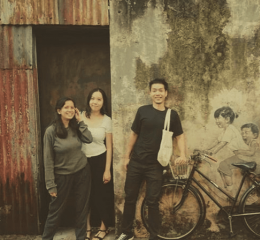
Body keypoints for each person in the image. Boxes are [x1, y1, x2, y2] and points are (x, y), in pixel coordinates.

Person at [117, 79, 187, 240]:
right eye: (154, 90)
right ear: (150, 93)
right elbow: (134, 134)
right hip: (136, 162)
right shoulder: (142, 111)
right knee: (130, 198)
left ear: (166, 93)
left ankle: (154, 235)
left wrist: (183, 155)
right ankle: (126, 232)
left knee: (153, 201)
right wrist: (127, 157)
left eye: (160, 90)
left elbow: (180, 136)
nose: (157, 93)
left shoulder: (172, 115)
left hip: (156, 165)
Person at [42, 97, 93, 240]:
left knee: (82, 209)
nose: (70, 110)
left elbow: (88, 139)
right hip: (62, 176)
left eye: (72, 107)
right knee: (55, 211)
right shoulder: (51, 131)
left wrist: (80, 120)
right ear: (59, 111)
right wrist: (50, 184)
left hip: (82, 172)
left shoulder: (75, 127)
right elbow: (48, 159)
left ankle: (81, 238)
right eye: (66, 107)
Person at [81, 88, 114, 240]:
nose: (95, 101)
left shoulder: (107, 120)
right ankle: (87, 228)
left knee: (101, 195)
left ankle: (103, 227)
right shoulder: (80, 116)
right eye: (92, 98)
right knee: (85, 195)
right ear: (89, 100)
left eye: (99, 99)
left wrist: (107, 169)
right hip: (82, 161)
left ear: (103, 102)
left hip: (100, 160)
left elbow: (109, 147)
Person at [206, 107, 249, 187]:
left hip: (244, 156)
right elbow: (216, 141)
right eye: (215, 119)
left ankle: (230, 189)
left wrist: (212, 152)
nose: (216, 121)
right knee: (221, 168)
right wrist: (205, 149)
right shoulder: (225, 130)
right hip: (240, 155)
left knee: (223, 165)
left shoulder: (230, 129)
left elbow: (222, 143)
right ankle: (227, 187)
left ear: (227, 119)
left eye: (218, 118)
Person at [217, 123, 260, 187]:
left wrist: (241, 151)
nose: (243, 134)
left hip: (255, 161)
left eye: (246, 133)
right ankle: (228, 184)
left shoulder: (253, 142)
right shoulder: (244, 142)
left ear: (254, 135)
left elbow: (251, 152)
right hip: (248, 159)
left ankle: (230, 185)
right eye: (242, 133)